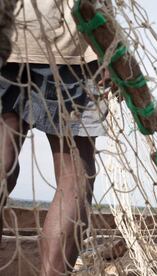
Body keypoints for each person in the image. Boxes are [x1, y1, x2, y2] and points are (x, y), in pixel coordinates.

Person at [0, 0, 109, 274]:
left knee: (2, 165)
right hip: (74, 48)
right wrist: (108, 49)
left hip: (10, 39)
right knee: (75, 177)